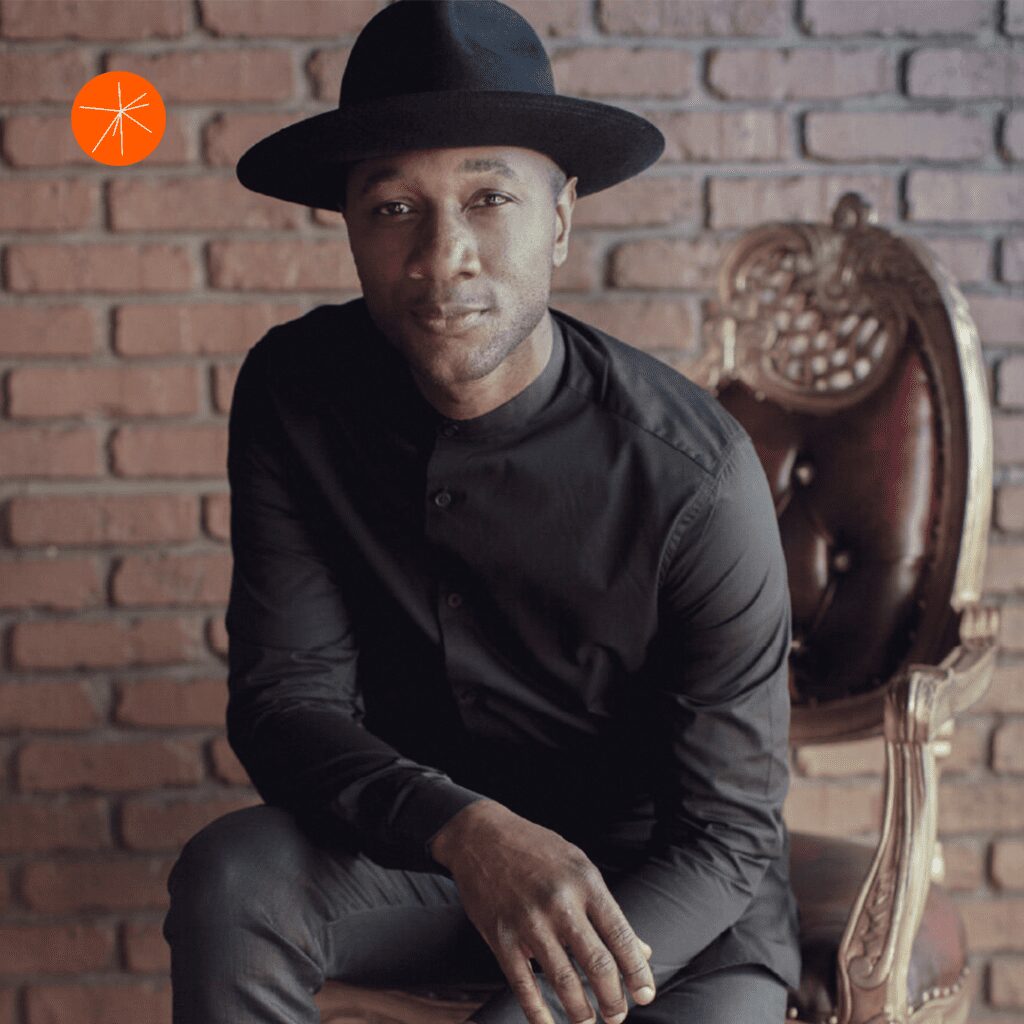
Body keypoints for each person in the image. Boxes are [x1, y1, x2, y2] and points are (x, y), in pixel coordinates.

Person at [163, 3, 801, 1023]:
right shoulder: (297, 390)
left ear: (560, 220)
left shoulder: (694, 476)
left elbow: (727, 840)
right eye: (392, 207)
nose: (441, 255)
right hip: (423, 859)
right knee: (233, 878)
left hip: (665, 904)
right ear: (350, 228)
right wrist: (465, 830)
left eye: (488, 197)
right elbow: (286, 704)